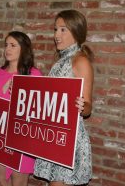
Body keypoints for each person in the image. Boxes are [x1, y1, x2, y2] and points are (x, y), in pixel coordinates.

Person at [33, 10, 94, 186]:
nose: (56, 35)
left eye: (63, 30)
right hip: (55, 135)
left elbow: (88, 106)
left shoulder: (80, 61)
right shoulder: (60, 61)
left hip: (70, 139)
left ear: (76, 31)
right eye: (55, 29)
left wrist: (83, 106)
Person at [0, 31, 42, 186]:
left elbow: (39, 109)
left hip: (21, 138)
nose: (8, 49)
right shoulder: (0, 72)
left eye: (13, 45)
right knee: (2, 180)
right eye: (6, 45)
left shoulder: (34, 74)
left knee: (18, 182)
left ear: (23, 49)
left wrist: (20, 93)